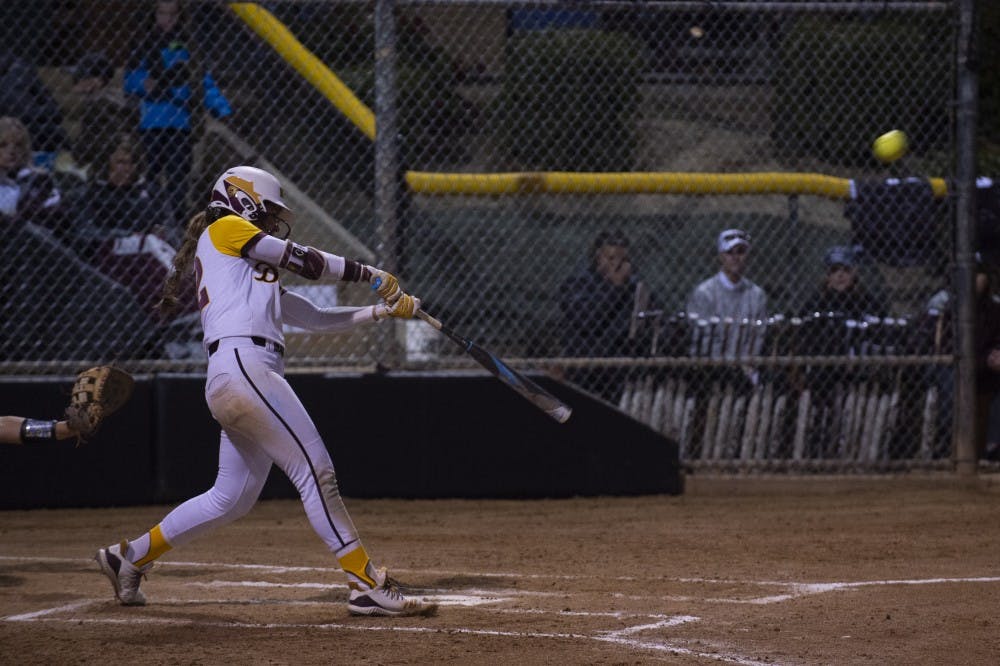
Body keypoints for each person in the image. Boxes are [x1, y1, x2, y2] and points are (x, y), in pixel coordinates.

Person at [94, 166, 436, 617]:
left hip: (237, 374)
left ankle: (129, 556)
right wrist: (369, 271)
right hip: (244, 367)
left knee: (229, 498)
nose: (273, 220)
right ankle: (364, 582)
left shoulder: (245, 268)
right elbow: (307, 261)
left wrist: (381, 311)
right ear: (242, 198)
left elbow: (313, 317)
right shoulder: (226, 228)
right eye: (269, 210)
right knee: (316, 471)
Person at [124, 0, 233, 223]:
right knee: (150, 174)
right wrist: (143, 83)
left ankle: (174, 219)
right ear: (153, 16)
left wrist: (222, 107)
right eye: (162, 14)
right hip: (151, 121)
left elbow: (204, 82)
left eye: (172, 15)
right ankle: (150, 219)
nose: (167, 20)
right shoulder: (144, 45)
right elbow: (130, 79)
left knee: (178, 177)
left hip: (181, 122)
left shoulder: (188, 47)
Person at [559, 230, 650, 402]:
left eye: (623, 260)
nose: (617, 265)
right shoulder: (578, 283)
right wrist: (615, 288)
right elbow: (587, 320)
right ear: (597, 257)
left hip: (621, 368)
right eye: (611, 258)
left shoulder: (632, 285)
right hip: (586, 365)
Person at [686, 229, 768, 363]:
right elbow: (700, 339)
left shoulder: (756, 295)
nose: (736, 257)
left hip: (746, 367)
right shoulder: (705, 293)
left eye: (740, 252)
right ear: (721, 256)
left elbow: (758, 337)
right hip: (711, 367)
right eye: (730, 252)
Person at [63, 52, 136, 179]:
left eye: (78, 79)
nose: (74, 85)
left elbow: (86, 147)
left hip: (102, 166)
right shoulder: (120, 98)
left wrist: (77, 157)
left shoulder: (96, 105)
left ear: (96, 81)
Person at [0, 116, 63, 231]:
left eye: (18, 145)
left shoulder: (35, 176)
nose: (12, 151)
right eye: (3, 145)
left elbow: (54, 203)